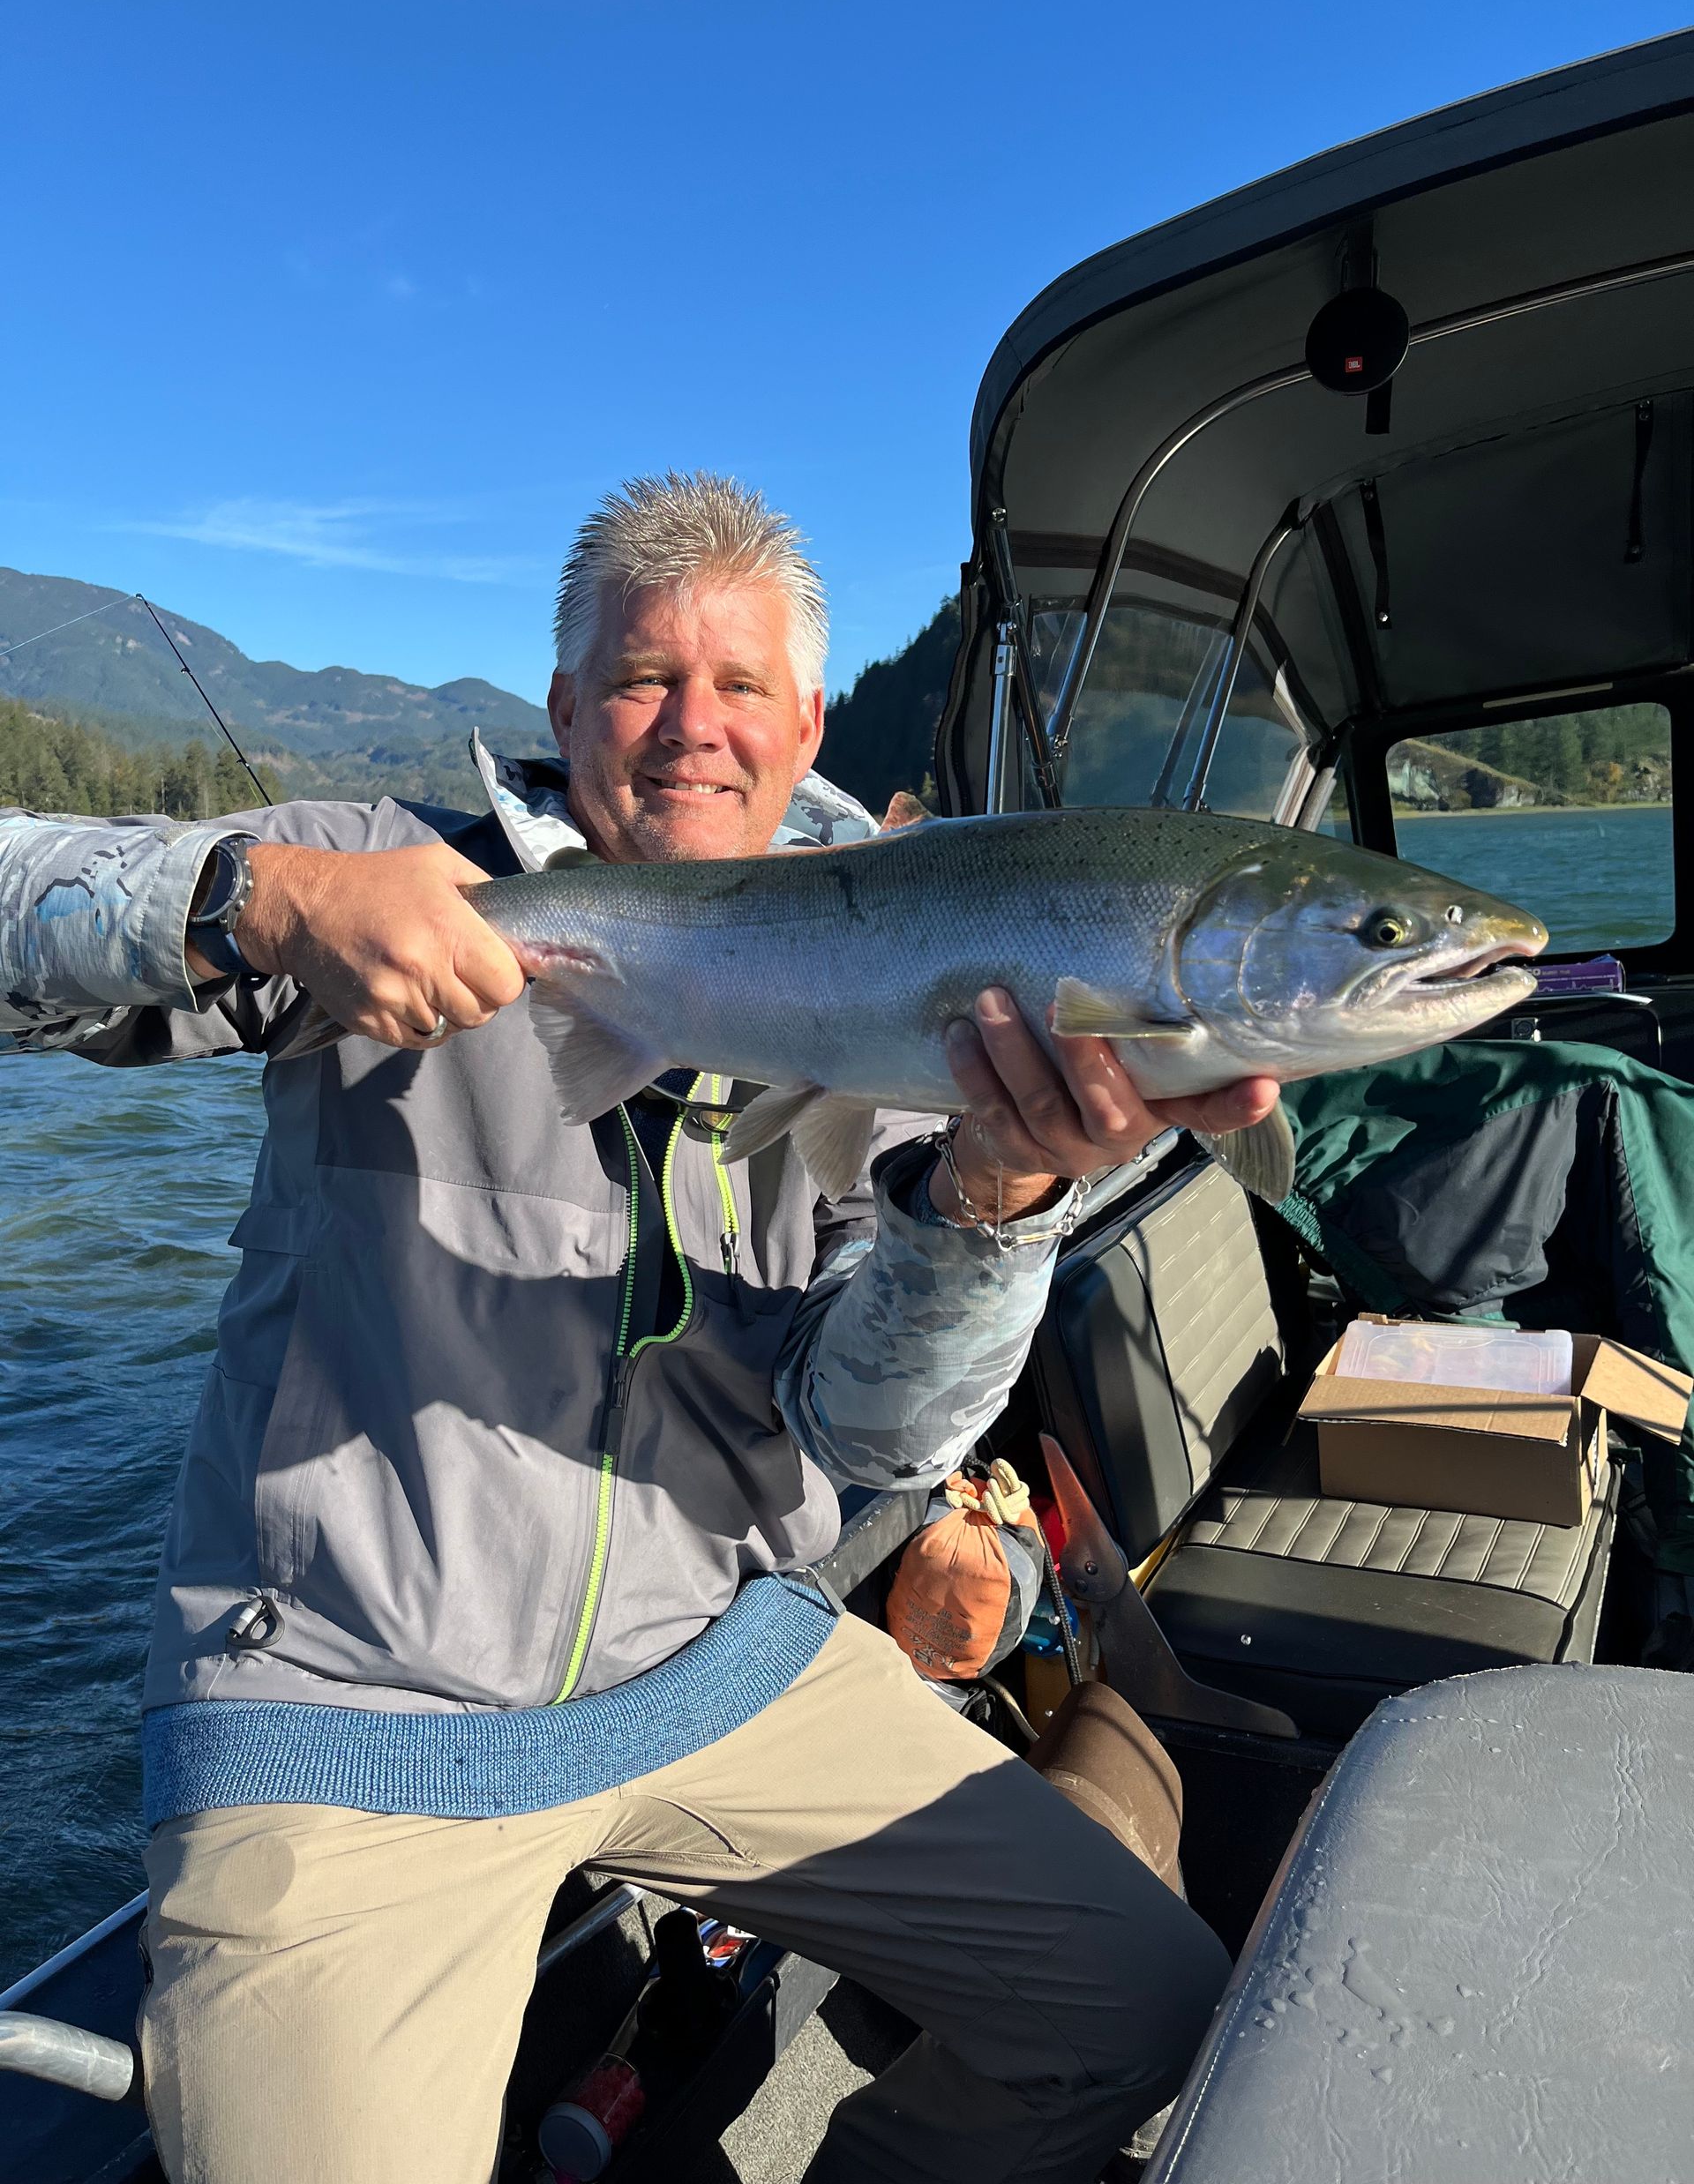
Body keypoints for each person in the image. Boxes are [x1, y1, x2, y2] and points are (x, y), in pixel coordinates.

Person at [0, 474, 1277, 2184]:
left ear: (807, 714)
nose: (693, 729)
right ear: (561, 706)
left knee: (1146, 2004)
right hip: (347, 1710)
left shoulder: (938, 962)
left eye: (742, 686)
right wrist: (249, 891)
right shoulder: (385, 878)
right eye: (640, 680)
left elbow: (874, 1438)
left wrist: (991, 1194)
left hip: (729, 1667)